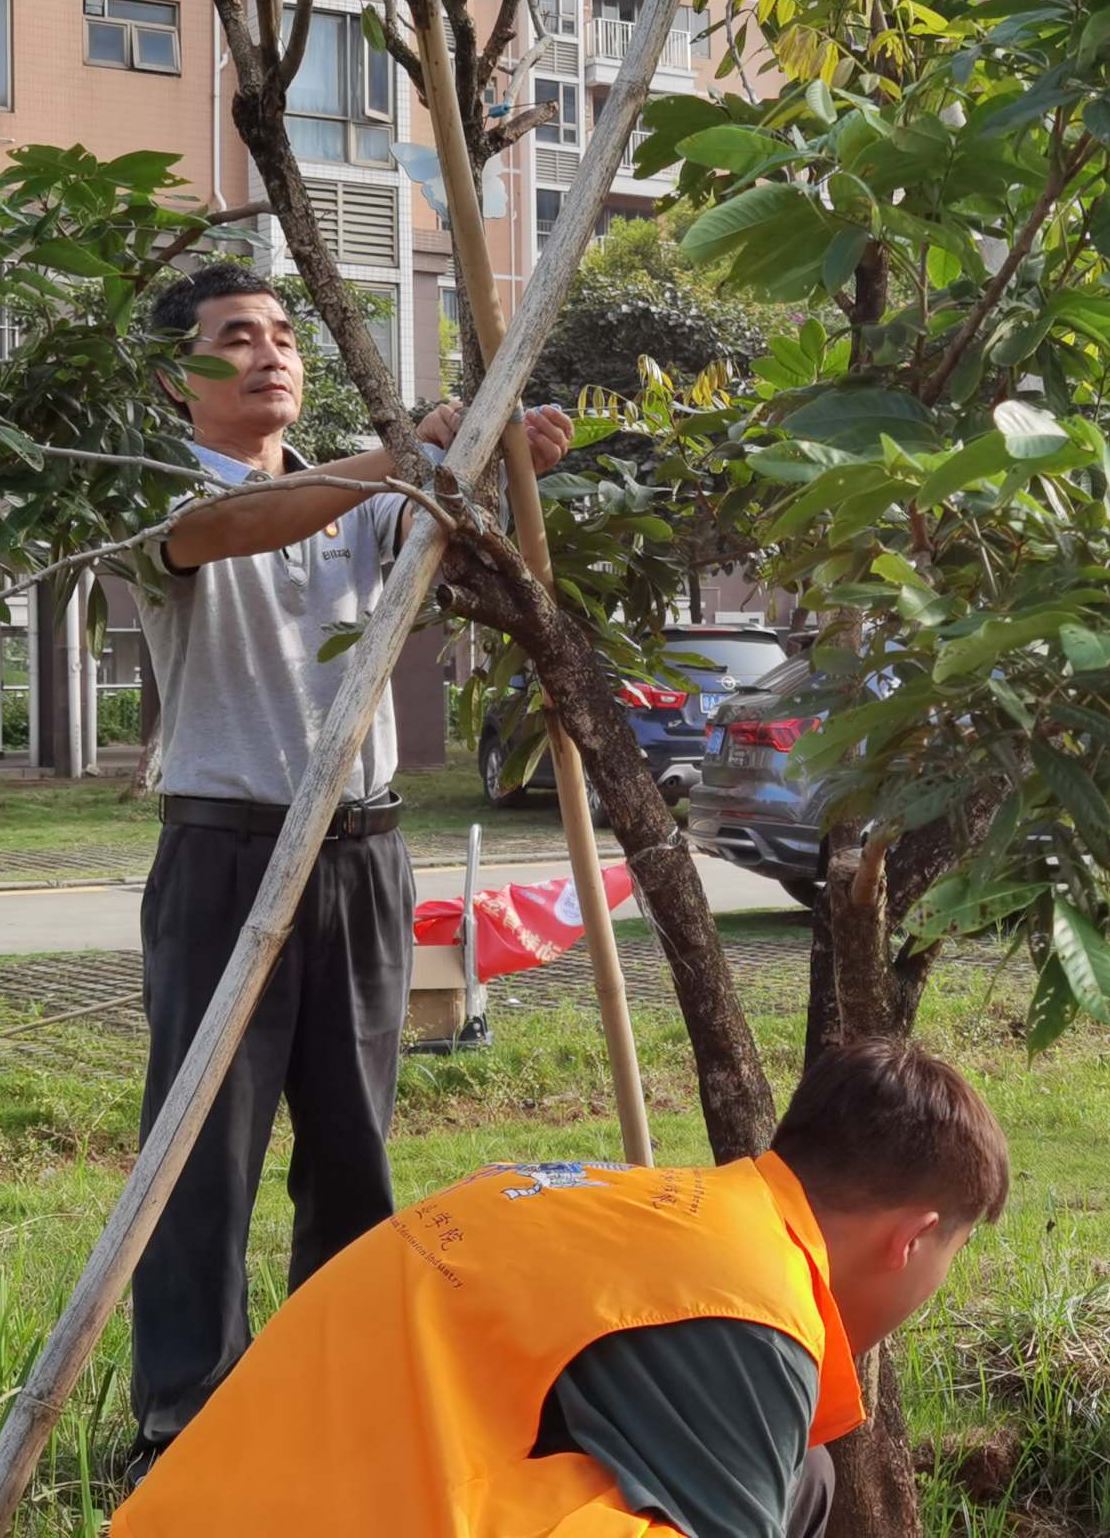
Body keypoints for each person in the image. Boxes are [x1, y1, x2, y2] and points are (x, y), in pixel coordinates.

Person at [124, 261, 575, 1477]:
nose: (272, 353)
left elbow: (450, 516)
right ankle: (184, 1424)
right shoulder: (158, 497)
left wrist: (504, 450)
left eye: (284, 334)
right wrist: (402, 454)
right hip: (227, 851)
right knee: (205, 1149)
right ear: (181, 375)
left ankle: (342, 1395)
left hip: (363, 855)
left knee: (353, 1146)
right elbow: (231, 530)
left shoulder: (361, 506)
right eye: (237, 336)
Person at [112, 1038, 1012, 1535]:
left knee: (800, 1480)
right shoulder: (752, 1300)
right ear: (916, 1237)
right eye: (954, 1252)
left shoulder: (665, 1218)